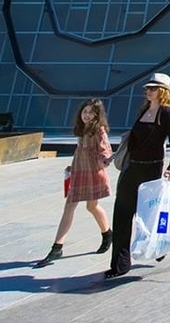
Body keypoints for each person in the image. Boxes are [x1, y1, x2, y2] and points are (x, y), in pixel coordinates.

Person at [106, 73, 170, 279]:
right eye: (148, 88)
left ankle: (160, 246)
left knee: (150, 216)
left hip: (152, 170)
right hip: (133, 168)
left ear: (163, 92)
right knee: (122, 214)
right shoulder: (143, 110)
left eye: (153, 89)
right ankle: (120, 264)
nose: (148, 91)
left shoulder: (166, 113)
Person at [35, 98, 113, 267]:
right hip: (79, 173)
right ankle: (57, 247)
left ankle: (107, 234)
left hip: (93, 174)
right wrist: (73, 166)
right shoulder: (82, 130)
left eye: (91, 112)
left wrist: (106, 159)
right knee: (69, 207)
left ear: (97, 115)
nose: (87, 115)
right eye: (84, 111)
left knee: (91, 207)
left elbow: (105, 150)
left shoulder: (99, 131)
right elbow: (80, 151)